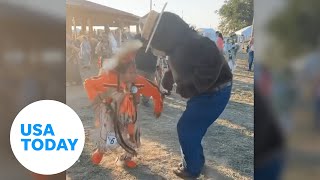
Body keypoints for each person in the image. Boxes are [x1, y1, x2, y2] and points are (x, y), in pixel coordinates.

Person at [142, 11, 233, 178]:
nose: (154, 45)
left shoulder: (196, 42)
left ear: (163, 32)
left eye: (154, 40)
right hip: (206, 94)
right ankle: (194, 162)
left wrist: (188, 89)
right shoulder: (177, 46)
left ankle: (192, 169)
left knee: (187, 128)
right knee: (191, 129)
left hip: (214, 93)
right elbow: (174, 68)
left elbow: (212, 66)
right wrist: (166, 83)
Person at [83, 40, 163, 168]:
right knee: (110, 135)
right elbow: (88, 83)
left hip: (130, 113)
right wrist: (98, 99)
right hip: (110, 112)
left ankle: (125, 157)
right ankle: (101, 151)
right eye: (130, 72)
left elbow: (154, 90)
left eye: (134, 71)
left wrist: (158, 106)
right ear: (120, 72)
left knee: (133, 135)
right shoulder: (108, 79)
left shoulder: (137, 80)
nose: (133, 75)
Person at [134, 34, 158, 106]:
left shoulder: (154, 42)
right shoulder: (139, 38)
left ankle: (145, 100)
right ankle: (135, 100)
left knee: (148, 86)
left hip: (151, 69)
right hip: (139, 68)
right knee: (138, 85)